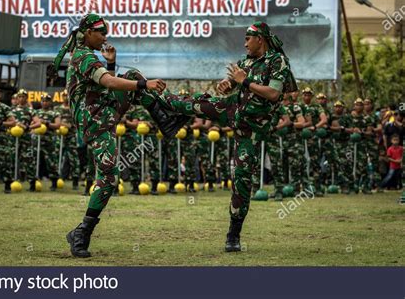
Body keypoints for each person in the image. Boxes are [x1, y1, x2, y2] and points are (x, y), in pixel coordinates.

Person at [51, 13, 188, 258]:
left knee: (133, 75)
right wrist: (146, 86)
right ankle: (81, 233)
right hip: (95, 120)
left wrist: (112, 64)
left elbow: (104, 83)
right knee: (108, 177)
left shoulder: (89, 56)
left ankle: (166, 120)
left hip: (102, 110)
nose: (105, 37)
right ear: (87, 33)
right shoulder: (83, 56)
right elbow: (109, 83)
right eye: (101, 32)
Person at [159, 21, 297, 252]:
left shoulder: (276, 61)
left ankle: (233, 235)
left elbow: (273, 94)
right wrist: (226, 85)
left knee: (242, 180)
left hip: (251, 128)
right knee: (197, 104)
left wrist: (245, 81)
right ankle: (154, 99)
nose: (244, 43)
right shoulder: (245, 62)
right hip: (233, 109)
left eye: (248, 39)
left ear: (260, 39)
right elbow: (231, 84)